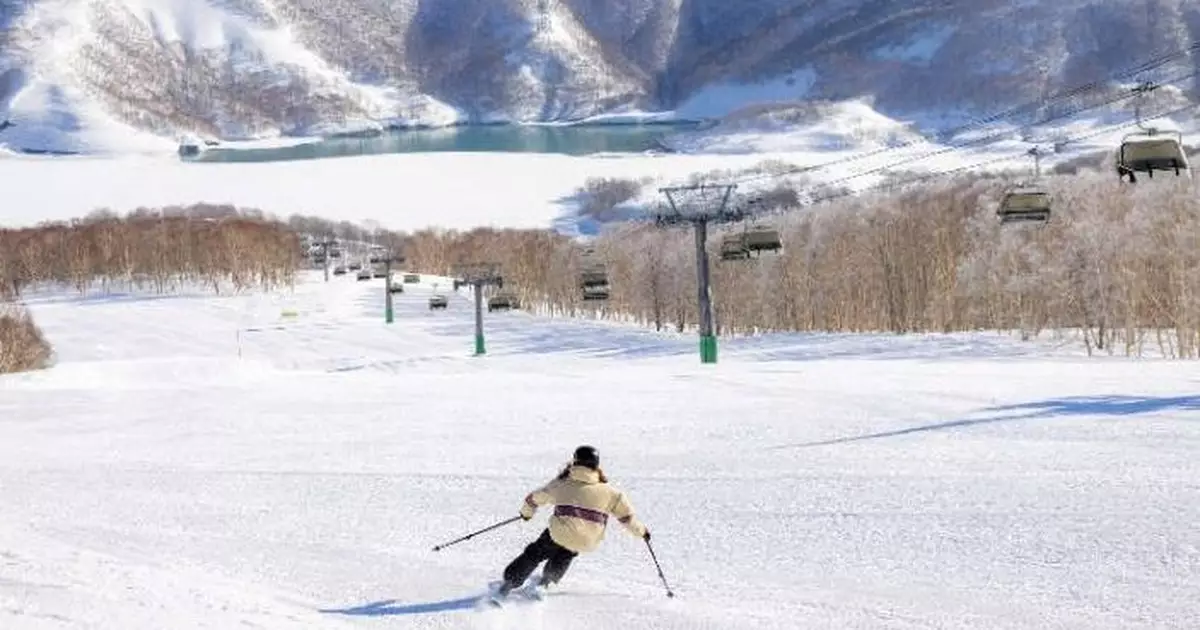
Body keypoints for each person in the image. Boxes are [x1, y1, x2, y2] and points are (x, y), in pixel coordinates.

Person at [494, 445, 650, 599]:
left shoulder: (562, 484)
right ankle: (545, 583)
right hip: (587, 540)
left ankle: (507, 586)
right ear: (596, 465)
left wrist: (526, 514)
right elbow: (628, 520)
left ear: (575, 461)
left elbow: (532, 499)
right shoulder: (612, 493)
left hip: (558, 533)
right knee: (567, 551)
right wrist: (642, 532)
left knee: (536, 553)